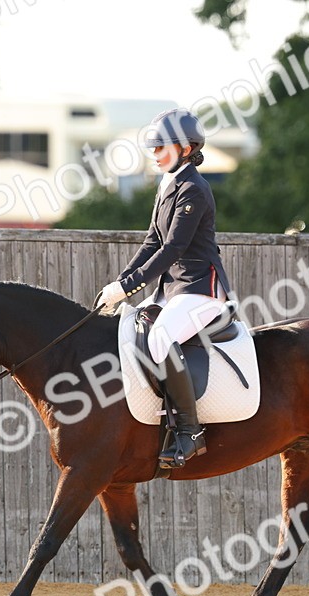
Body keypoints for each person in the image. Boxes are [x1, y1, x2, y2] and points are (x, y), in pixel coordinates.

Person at [97, 108, 233, 469]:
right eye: (153, 149)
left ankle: (190, 432)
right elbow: (151, 241)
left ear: (187, 148)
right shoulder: (167, 185)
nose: (155, 155)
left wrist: (129, 287)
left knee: (160, 339)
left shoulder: (194, 189)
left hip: (202, 289)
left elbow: (173, 248)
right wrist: (118, 285)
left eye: (162, 148)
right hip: (174, 291)